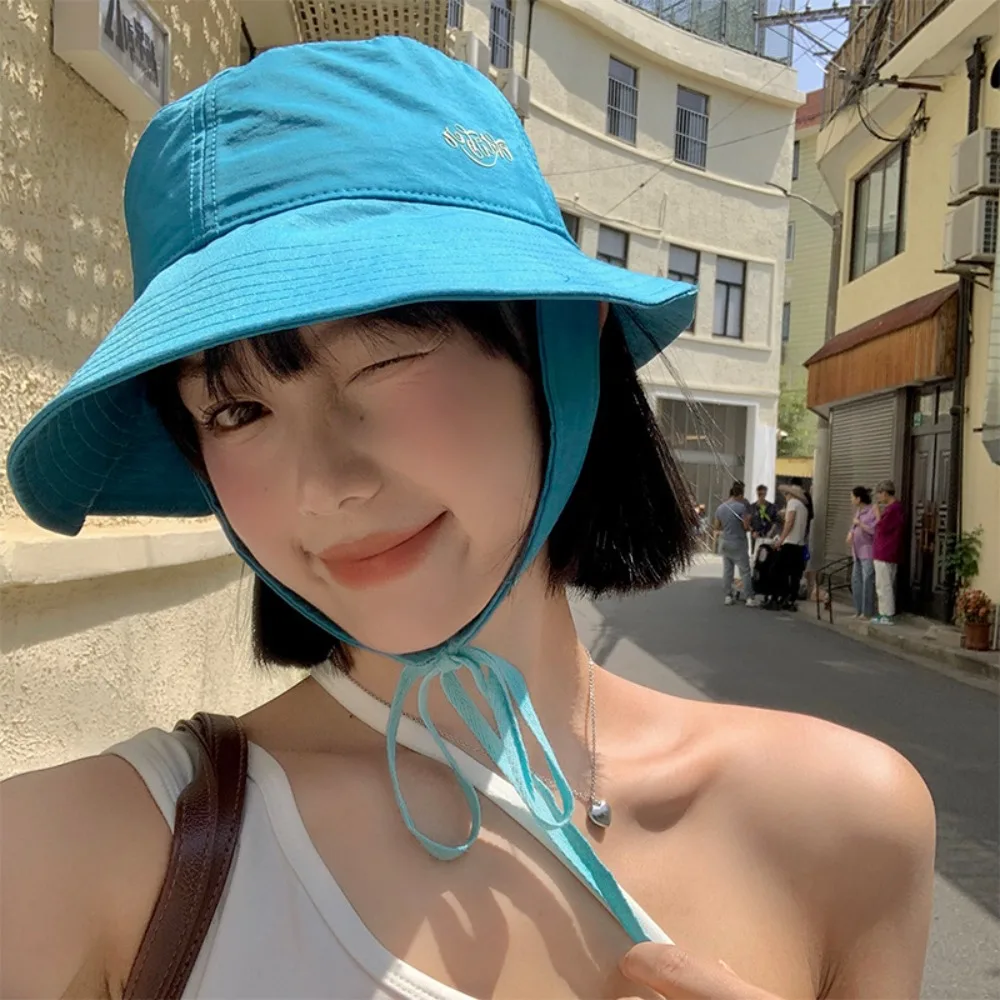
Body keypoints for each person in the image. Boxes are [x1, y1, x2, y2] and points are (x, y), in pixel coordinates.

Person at [2, 39, 934, 1000]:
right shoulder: (83, 858)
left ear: (564, 346)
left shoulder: (846, 825)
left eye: (385, 359)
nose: (324, 486)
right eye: (237, 410)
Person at [713, 481, 760, 607]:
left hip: (725, 542)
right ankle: (749, 598)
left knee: (728, 570)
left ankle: (728, 596)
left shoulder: (720, 508)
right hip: (738, 542)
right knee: (745, 571)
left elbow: (717, 526)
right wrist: (749, 525)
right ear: (740, 495)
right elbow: (745, 526)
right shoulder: (741, 507)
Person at [873, 479, 907, 625]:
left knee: (884, 584)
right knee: (885, 583)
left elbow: (882, 527)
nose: (878, 497)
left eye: (879, 494)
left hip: (885, 551)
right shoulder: (895, 509)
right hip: (888, 551)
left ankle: (886, 614)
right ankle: (884, 613)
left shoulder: (893, 509)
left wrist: (877, 514)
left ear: (885, 493)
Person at [775, 483, 809, 610]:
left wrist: (781, 539)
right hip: (800, 544)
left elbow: (789, 522)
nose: (785, 496)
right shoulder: (803, 507)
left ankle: (783, 595)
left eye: (786, 494)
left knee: (781, 570)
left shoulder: (792, 503)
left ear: (790, 495)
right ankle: (791, 599)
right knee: (795, 574)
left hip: (790, 543)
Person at [847, 486, 877, 620]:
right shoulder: (858, 511)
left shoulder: (872, 511)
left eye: (852, 497)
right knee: (856, 581)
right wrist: (850, 533)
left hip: (867, 551)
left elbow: (874, 530)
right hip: (856, 551)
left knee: (867, 580)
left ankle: (867, 612)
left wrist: (860, 524)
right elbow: (853, 527)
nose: (851, 500)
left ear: (858, 499)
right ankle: (858, 610)